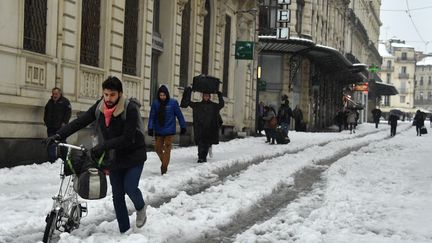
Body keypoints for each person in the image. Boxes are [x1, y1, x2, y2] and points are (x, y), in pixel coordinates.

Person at [43, 76, 147, 233]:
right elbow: (81, 121)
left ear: (119, 94)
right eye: (106, 94)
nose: (108, 98)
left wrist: (103, 146)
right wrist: (58, 135)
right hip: (115, 157)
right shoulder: (100, 107)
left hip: (134, 155)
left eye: (112, 95)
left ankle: (141, 207)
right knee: (117, 195)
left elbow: (128, 138)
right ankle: (124, 232)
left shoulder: (130, 109)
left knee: (130, 187)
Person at [148, 85, 186, 174]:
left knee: (167, 149)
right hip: (159, 130)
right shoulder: (155, 103)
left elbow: (179, 115)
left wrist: (183, 126)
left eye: (164, 95)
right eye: (160, 95)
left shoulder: (173, 103)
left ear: (167, 95)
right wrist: (150, 128)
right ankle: (165, 161)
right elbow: (152, 116)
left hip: (169, 130)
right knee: (157, 149)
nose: (162, 97)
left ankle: (163, 169)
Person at [182, 87, 224, 163]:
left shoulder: (213, 106)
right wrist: (189, 92)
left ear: (209, 97)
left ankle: (203, 157)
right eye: (205, 96)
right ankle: (201, 157)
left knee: (206, 144)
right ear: (202, 96)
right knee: (201, 143)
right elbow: (188, 102)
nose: (206, 97)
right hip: (200, 128)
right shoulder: (198, 105)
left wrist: (219, 95)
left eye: (207, 96)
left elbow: (221, 104)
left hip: (209, 128)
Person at [43, 87, 71, 162]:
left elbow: (68, 113)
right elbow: (46, 113)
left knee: (63, 144)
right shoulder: (49, 102)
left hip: (61, 128)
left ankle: (65, 159)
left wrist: (65, 122)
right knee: (51, 143)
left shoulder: (65, 101)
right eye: (53, 94)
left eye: (56, 94)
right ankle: (52, 161)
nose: (54, 95)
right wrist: (46, 122)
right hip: (51, 127)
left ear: (60, 94)